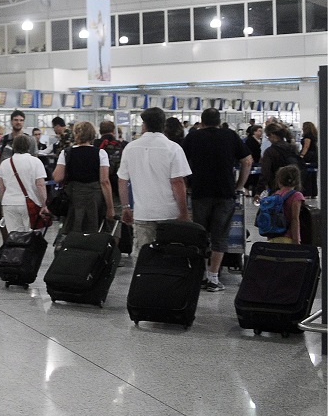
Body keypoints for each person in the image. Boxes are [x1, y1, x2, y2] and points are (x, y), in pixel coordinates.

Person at [181, 108, 251, 292]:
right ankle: (213, 278)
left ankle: (200, 275)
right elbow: (247, 161)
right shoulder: (230, 135)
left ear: (202, 122)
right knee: (220, 236)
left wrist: (187, 185)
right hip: (225, 193)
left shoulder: (193, 137)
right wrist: (239, 185)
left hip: (200, 192)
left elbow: (179, 162)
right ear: (219, 121)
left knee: (199, 235)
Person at [118, 107, 192, 253]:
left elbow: (122, 181)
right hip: (169, 213)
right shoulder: (173, 148)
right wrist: (183, 212)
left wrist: (126, 207)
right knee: (169, 254)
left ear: (144, 125)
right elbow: (177, 182)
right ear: (163, 125)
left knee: (143, 255)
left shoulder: (130, 148)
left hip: (143, 212)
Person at [53, 121, 114, 236]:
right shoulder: (101, 153)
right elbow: (105, 181)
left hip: (73, 196)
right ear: (93, 135)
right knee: (93, 230)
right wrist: (110, 207)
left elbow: (57, 177)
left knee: (72, 229)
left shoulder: (66, 153)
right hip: (94, 197)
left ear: (75, 134)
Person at [0, 134, 49, 232]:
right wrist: (44, 204)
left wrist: (3, 204)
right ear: (28, 146)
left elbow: (1, 188)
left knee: (14, 236)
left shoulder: (4, 163)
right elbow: (40, 185)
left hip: (9, 203)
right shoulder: (36, 162)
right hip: (30, 204)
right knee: (31, 235)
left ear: (13, 146)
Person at [267, 165, 306, 244]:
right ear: (297, 181)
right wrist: (296, 240)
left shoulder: (275, 194)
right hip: (288, 238)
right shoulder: (296, 196)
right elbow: (294, 219)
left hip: (273, 238)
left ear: (279, 180)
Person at [259, 122, 301, 194]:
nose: (268, 139)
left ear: (272, 135)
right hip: (294, 187)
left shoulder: (270, 151)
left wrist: (259, 190)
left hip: (276, 188)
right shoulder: (293, 148)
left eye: (268, 136)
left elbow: (265, 172)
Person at [243, 124, 263, 195]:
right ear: (254, 132)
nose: (261, 133)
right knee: (250, 175)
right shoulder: (250, 140)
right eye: (259, 131)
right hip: (252, 161)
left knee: (257, 176)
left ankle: (255, 191)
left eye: (261, 131)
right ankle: (246, 189)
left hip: (258, 161)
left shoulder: (261, 141)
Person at [300, 122, 318, 199]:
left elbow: (306, 146)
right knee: (313, 175)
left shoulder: (307, 136)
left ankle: (307, 192)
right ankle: (313, 192)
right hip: (314, 156)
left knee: (306, 174)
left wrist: (302, 155)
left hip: (308, 156)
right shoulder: (314, 136)